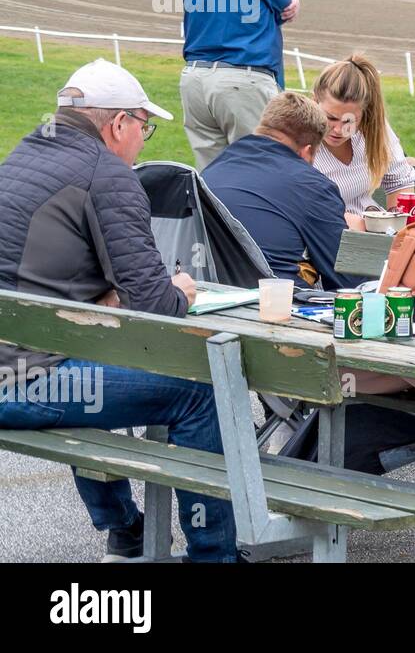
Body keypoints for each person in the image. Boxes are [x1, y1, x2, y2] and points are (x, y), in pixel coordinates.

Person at [0, 60, 237, 562]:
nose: (142, 141)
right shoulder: (108, 175)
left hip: (17, 363)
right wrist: (181, 290)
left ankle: (126, 532)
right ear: (118, 124)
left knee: (83, 363)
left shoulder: (22, 156)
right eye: (144, 128)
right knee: (198, 390)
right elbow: (155, 305)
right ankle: (213, 554)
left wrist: (102, 296)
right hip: (22, 383)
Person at [181, 0, 300, 171]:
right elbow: (283, 7)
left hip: (195, 81)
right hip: (242, 80)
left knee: (212, 178)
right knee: (258, 172)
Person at [203, 92, 361, 291]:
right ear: (307, 151)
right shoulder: (312, 186)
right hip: (278, 302)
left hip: (209, 292)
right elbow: (346, 279)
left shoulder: (214, 168)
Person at [311, 54, 415, 229]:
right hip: (326, 235)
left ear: (363, 114)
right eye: (330, 118)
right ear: (315, 101)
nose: (338, 129)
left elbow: (400, 183)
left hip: (372, 231)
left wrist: (397, 229)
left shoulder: (372, 131)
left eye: (349, 121)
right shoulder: (300, 139)